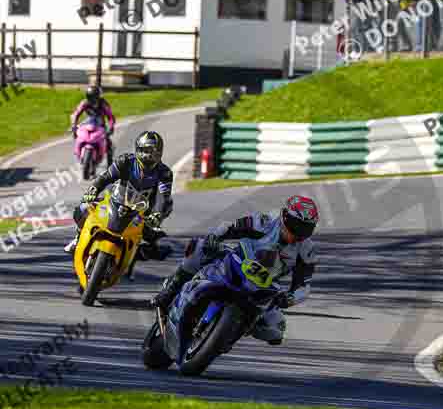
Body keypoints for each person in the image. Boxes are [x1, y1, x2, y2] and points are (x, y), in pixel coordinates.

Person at [152, 195, 320, 346]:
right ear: (284, 217)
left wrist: (289, 298)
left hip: (263, 286)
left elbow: (304, 284)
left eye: (306, 228)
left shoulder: (306, 250)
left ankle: (226, 337)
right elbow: (230, 227)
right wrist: (215, 237)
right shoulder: (264, 222)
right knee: (199, 247)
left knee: (275, 330)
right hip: (237, 261)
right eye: (296, 225)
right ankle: (170, 290)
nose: (299, 232)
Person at [63, 130, 173, 259]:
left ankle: (137, 252)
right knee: (83, 208)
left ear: (160, 152)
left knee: (163, 243)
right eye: (145, 150)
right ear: (138, 149)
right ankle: (78, 236)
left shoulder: (165, 173)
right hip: (116, 200)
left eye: (152, 151)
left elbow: (163, 197)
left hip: (142, 213)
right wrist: (93, 190)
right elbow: (105, 177)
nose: (148, 155)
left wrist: (157, 214)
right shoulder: (125, 161)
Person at [71, 86, 115, 167]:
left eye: (95, 97)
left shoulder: (103, 104)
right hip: (88, 124)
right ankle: (78, 152)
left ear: (98, 96)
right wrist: (74, 125)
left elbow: (110, 117)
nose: (93, 100)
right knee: (76, 135)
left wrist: (111, 127)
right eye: (91, 97)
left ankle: (110, 164)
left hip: (100, 125)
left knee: (108, 143)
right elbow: (76, 114)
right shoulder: (84, 103)